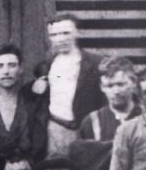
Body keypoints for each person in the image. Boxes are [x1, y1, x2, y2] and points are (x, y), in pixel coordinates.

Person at [29, 14, 106, 157]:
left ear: (77, 32)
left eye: (65, 33)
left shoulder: (94, 63)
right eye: (54, 34)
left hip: (85, 129)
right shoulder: (47, 65)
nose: (60, 39)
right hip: (55, 128)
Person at [0, 44, 40, 159]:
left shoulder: (32, 103)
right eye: (0, 66)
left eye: (12, 65)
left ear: (21, 69)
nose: (6, 71)